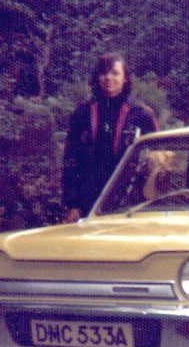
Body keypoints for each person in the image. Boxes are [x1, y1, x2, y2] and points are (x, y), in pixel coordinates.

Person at [62, 53, 159, 221]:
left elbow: (159, 158)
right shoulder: (82, 113)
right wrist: (72, 204)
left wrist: (153, 201)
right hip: (88, 197)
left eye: (115, 73)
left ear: (125, 78)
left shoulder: (142, 114)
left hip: (130, 199)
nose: (108, 78)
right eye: (104, 73)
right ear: (97, 77)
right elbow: (71, 159)